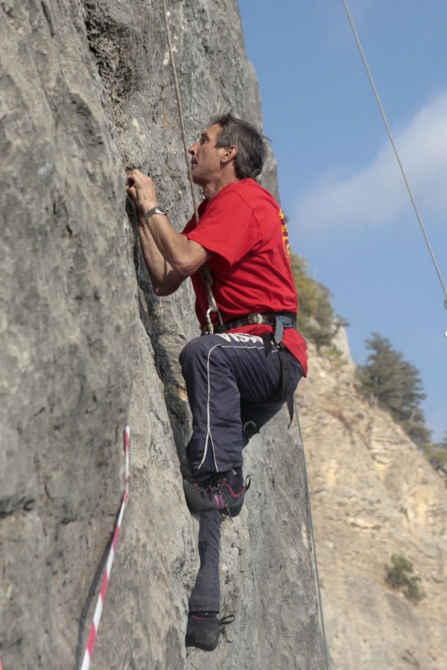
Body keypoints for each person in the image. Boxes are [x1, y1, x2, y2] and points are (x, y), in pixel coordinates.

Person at [126, 113, 308, 652]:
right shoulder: (215, 209)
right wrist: (142, 218)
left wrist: (154, 204)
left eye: (202, 141)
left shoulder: (244, 202)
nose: (191, 147)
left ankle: (225, 485)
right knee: (206, 470)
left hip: (267, 352)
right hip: (250, 355)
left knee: (203, 355)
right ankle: (204, 610)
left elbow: (180, 255)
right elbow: (165, 279)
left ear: (227, 153)